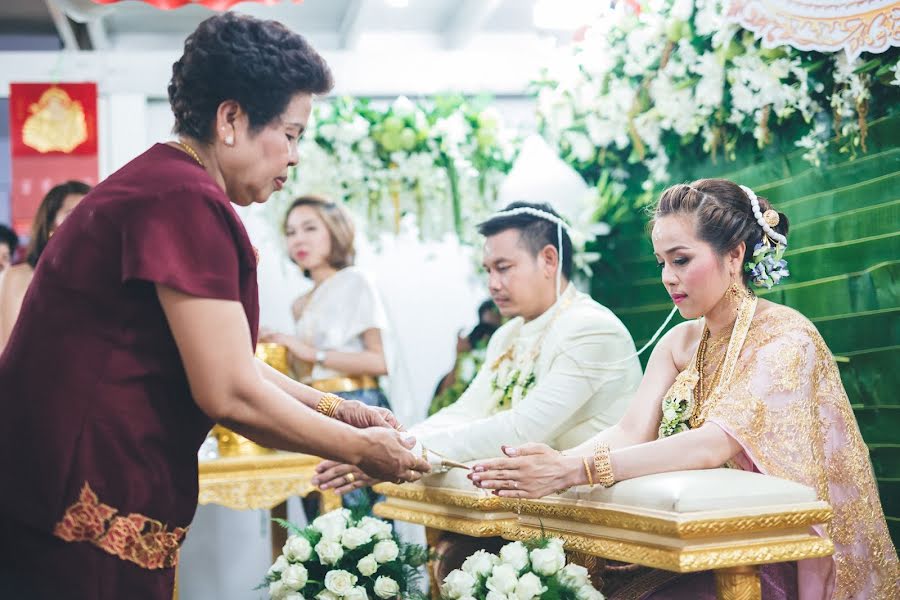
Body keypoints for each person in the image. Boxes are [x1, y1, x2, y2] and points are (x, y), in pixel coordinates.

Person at [0, 13, 428, 600]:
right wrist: (359, 450)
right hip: (82, 496)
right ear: (231, 119)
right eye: (293, 133)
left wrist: (337, 407)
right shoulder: (183, 199)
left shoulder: (159, 183)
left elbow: (231, 361)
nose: (296, 157)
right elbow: (226, 389)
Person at [470, 179, 899, 599]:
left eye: (681, 260)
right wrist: (551, 462)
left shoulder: (786, 337)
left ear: (734, 255)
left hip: (766, 553)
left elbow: (714, 444)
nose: (668, 278)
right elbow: (630, 431)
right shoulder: (679, 344)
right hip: (691, 539)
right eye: (661, 262)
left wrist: (574, 471)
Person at [314, 201, 642, 495]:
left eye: (504, 267)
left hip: (596, 496)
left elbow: (521, 429)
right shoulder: (508, 333)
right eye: (488, 270)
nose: (493, 284)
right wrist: (395, 445)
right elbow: (468, 409)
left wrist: (402, 451)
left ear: (548, 259)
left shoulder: (591, 329)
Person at [260, 195, 393, 517]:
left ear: (335, 231)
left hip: (355, 404)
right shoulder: (301, 303)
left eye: (309, 228)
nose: (298, 239)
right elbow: (304, 369)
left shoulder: (355, 281)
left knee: (358, 517)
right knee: (319, 512)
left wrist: (312, 352)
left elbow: (380, 362)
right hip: (314, 410)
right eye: (291, 232)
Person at [0, 180, 89, 350]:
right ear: (49, 225)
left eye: (91, 214)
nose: (84, 223)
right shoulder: (20, 277)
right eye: (72, 215)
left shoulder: (102, 277)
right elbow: (8, 352)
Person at [429, 299, 502, 416]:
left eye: (492, 329)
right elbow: (441, 400)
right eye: (484, 328)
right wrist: (459, 356)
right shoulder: (467, 357)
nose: (485, 336)